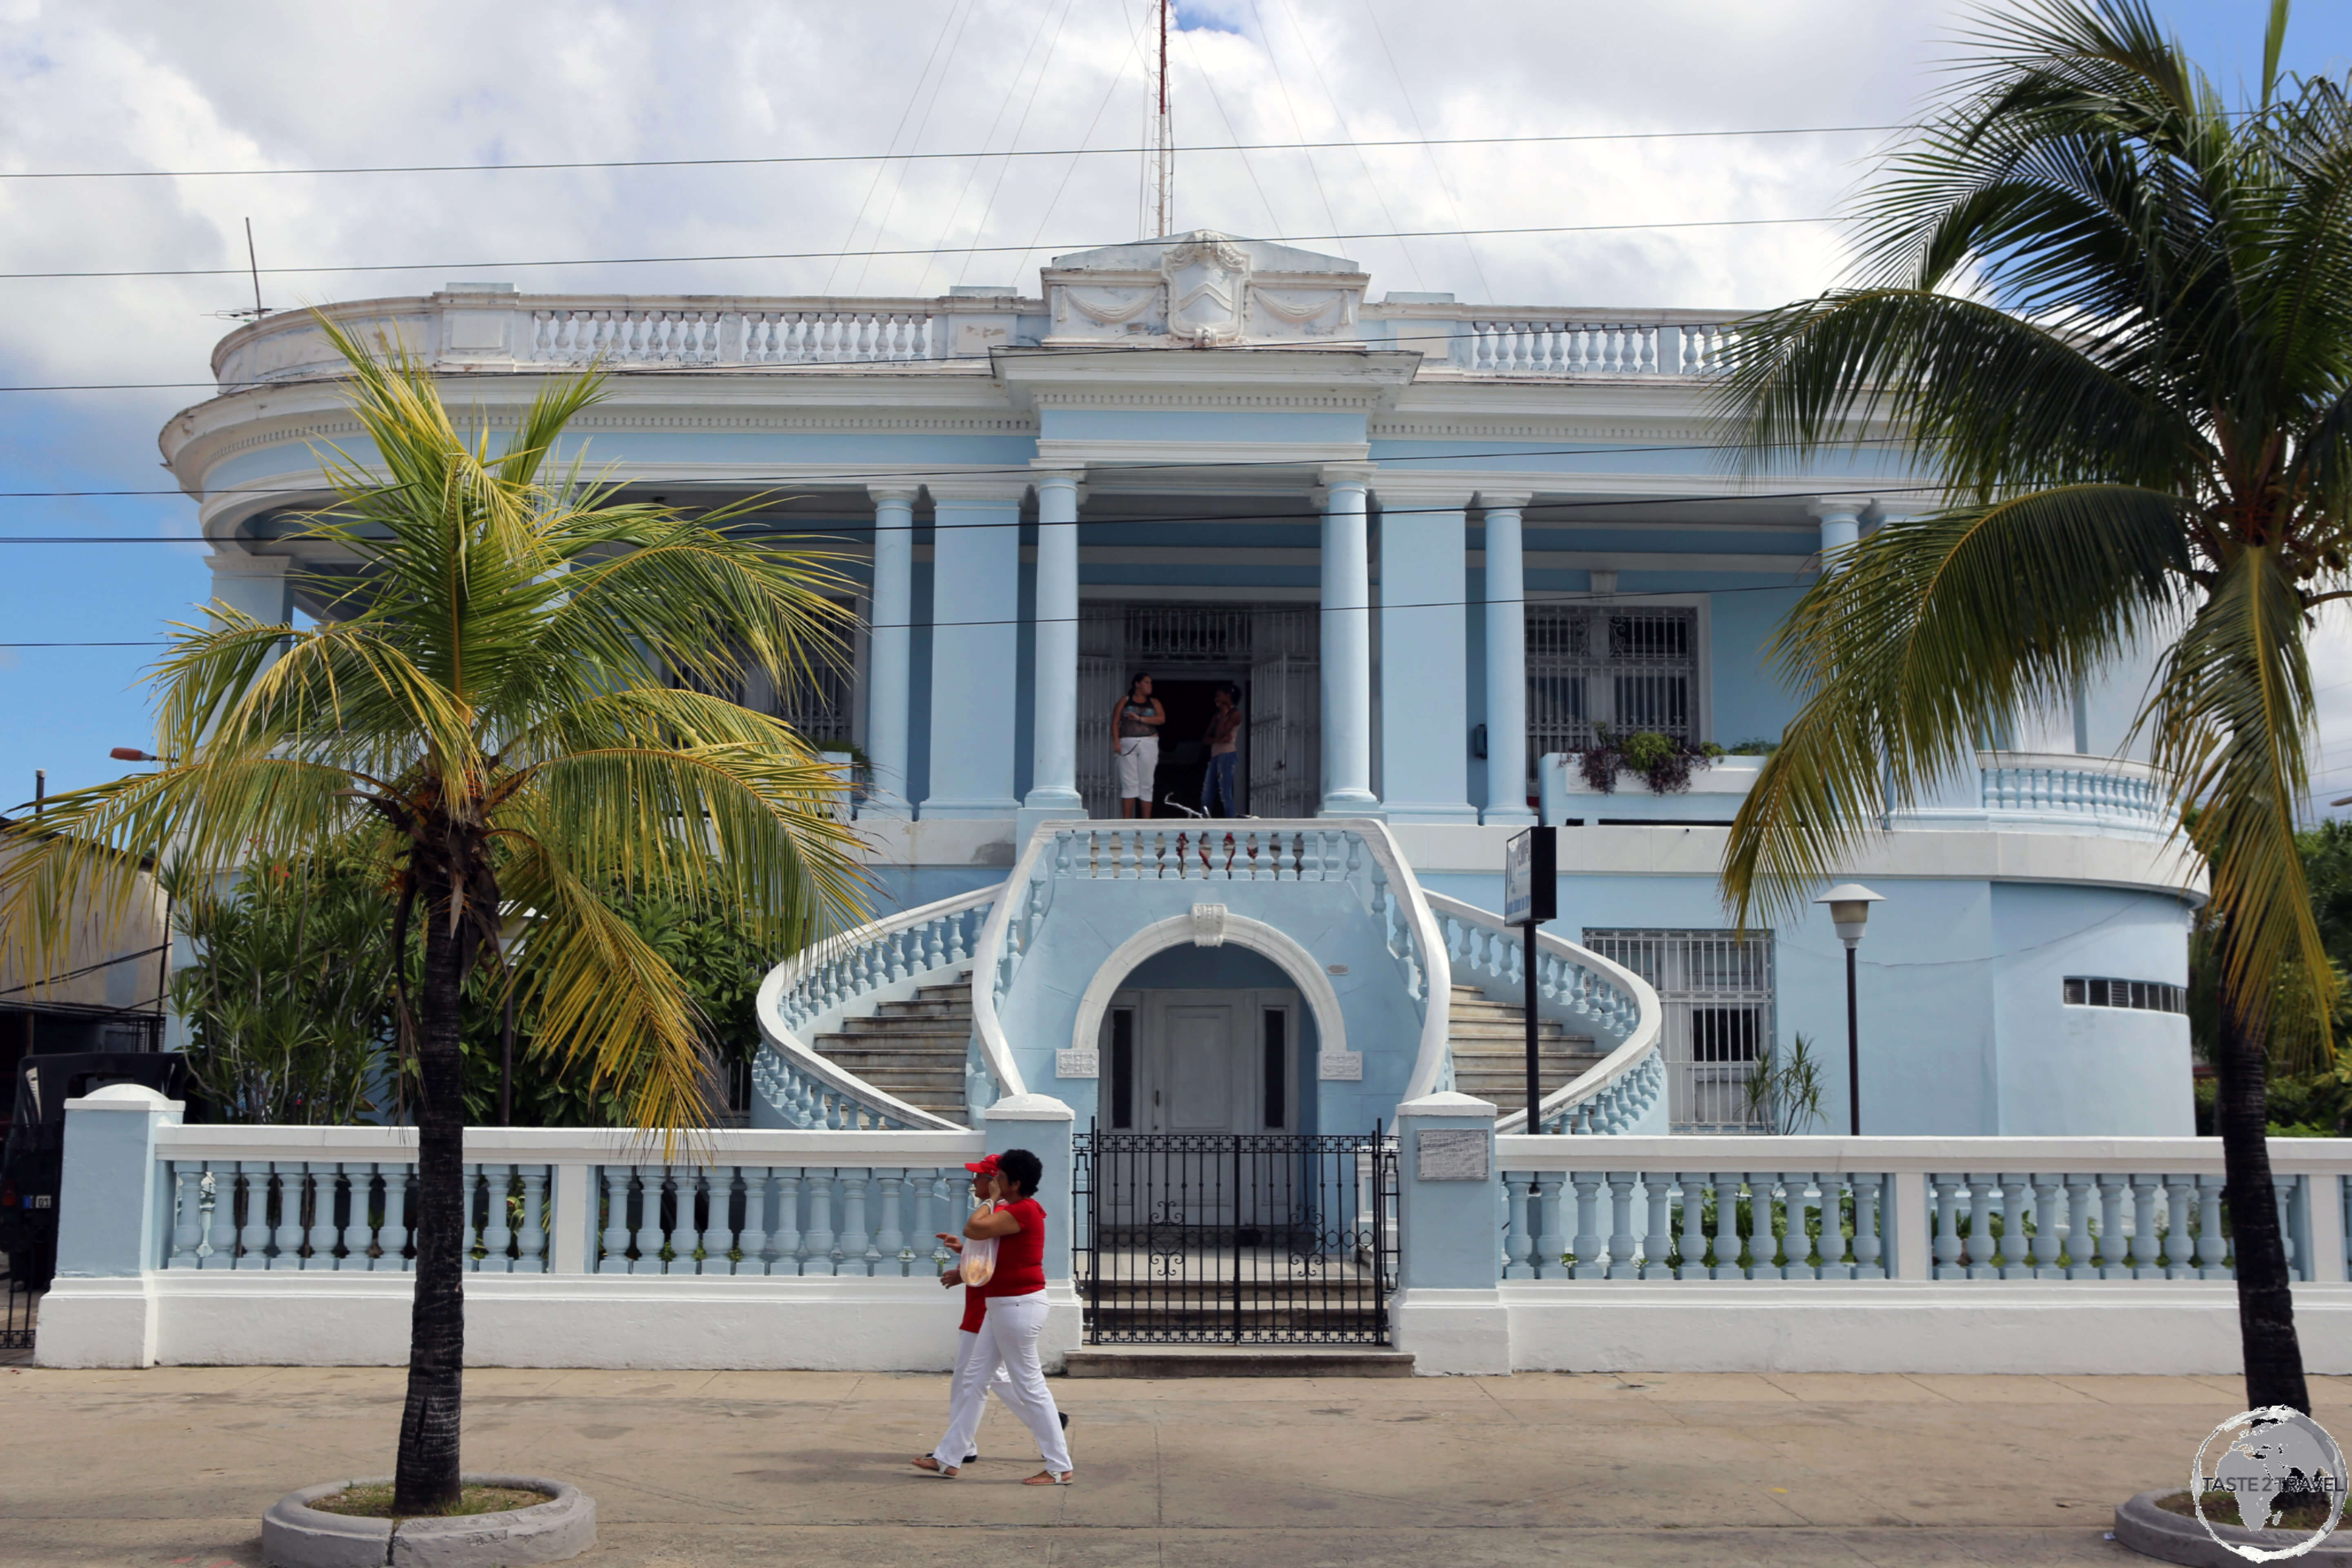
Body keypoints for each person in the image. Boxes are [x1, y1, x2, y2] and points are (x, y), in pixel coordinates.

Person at [913, 1147, 1074, 1485]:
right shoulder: (1015, 1209)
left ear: (1014, 1183)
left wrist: (991, 1200)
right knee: (973, 1378)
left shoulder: (1023, 1210)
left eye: (999, 1178)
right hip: (1003, 1306)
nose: (992, 1183)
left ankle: (1059, 1466)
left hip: (1018, 1306)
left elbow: (975, 1228)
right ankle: (949, 1457)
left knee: (1030, 1386)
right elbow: (988, 1248)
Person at [1112, 672, 1164, 819]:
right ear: (1137, 684)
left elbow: (1161, 719)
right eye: (1147, 682)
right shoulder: (1125, 701)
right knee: (1130, 784)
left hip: (1149, 742)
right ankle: (1127, 822)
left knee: (1147, 783)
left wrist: (1140, 719)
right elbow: (1115, 722)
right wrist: (1116, 741)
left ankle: (1146, 822)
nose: (1150, 686)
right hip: (1127, 742)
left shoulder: (1154, 702)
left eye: (1150, 683)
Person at [1201, 683, 1242, 817]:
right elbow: (1207, 739)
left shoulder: (1235, 714)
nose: (1216, 699)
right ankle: (1204, 821)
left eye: (1219, 696)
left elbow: (1221, 733)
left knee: (1225, 792)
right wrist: (1219, 739)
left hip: (1227, 755)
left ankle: (1230, 822)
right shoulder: (1217, 716)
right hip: (1215, 756)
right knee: (1207, 793)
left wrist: (1224, 714)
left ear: (1228, 696)